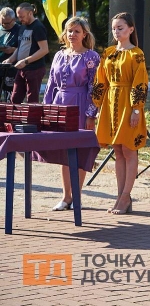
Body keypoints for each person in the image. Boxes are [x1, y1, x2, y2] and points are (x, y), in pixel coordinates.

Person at [92, 12, 149, 215]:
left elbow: (140, 82)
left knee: (128, 149)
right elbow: (100, 80)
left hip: (128, 103)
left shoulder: (136, 54)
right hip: (110, 103)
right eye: (114, 28)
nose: (116, 32)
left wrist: (136, 108)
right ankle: (120, 196)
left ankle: (126, 196)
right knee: (117, 150)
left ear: (131, 29)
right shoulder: (107, 53)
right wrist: (98, 106)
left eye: (121, 28)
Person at [44, 17, 101, 211]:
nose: (72, 34)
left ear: (85, 34)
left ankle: (77, 195)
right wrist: (47, 109)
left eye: (76, 31)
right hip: (60, 104)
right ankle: (66, 196)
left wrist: (91, 114)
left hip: (81, 104)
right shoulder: (59, 55)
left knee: (79, 150)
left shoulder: (91, 56)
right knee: (64, 151)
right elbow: (51, 83)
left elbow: (95, 87)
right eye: (69, 31)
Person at [4, 3, 49, 104]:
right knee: (15, 98)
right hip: (21, 69)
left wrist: (25, 61)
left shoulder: (38, 27)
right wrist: (11, 59)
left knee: (32, 100)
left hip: (35, 69)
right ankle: (15, 119)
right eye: (18, 17)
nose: (20, 20)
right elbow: (20, 47)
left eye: (22, 17)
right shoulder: (23, 27)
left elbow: (44, 49)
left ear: (30, 13)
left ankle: (33, 120)